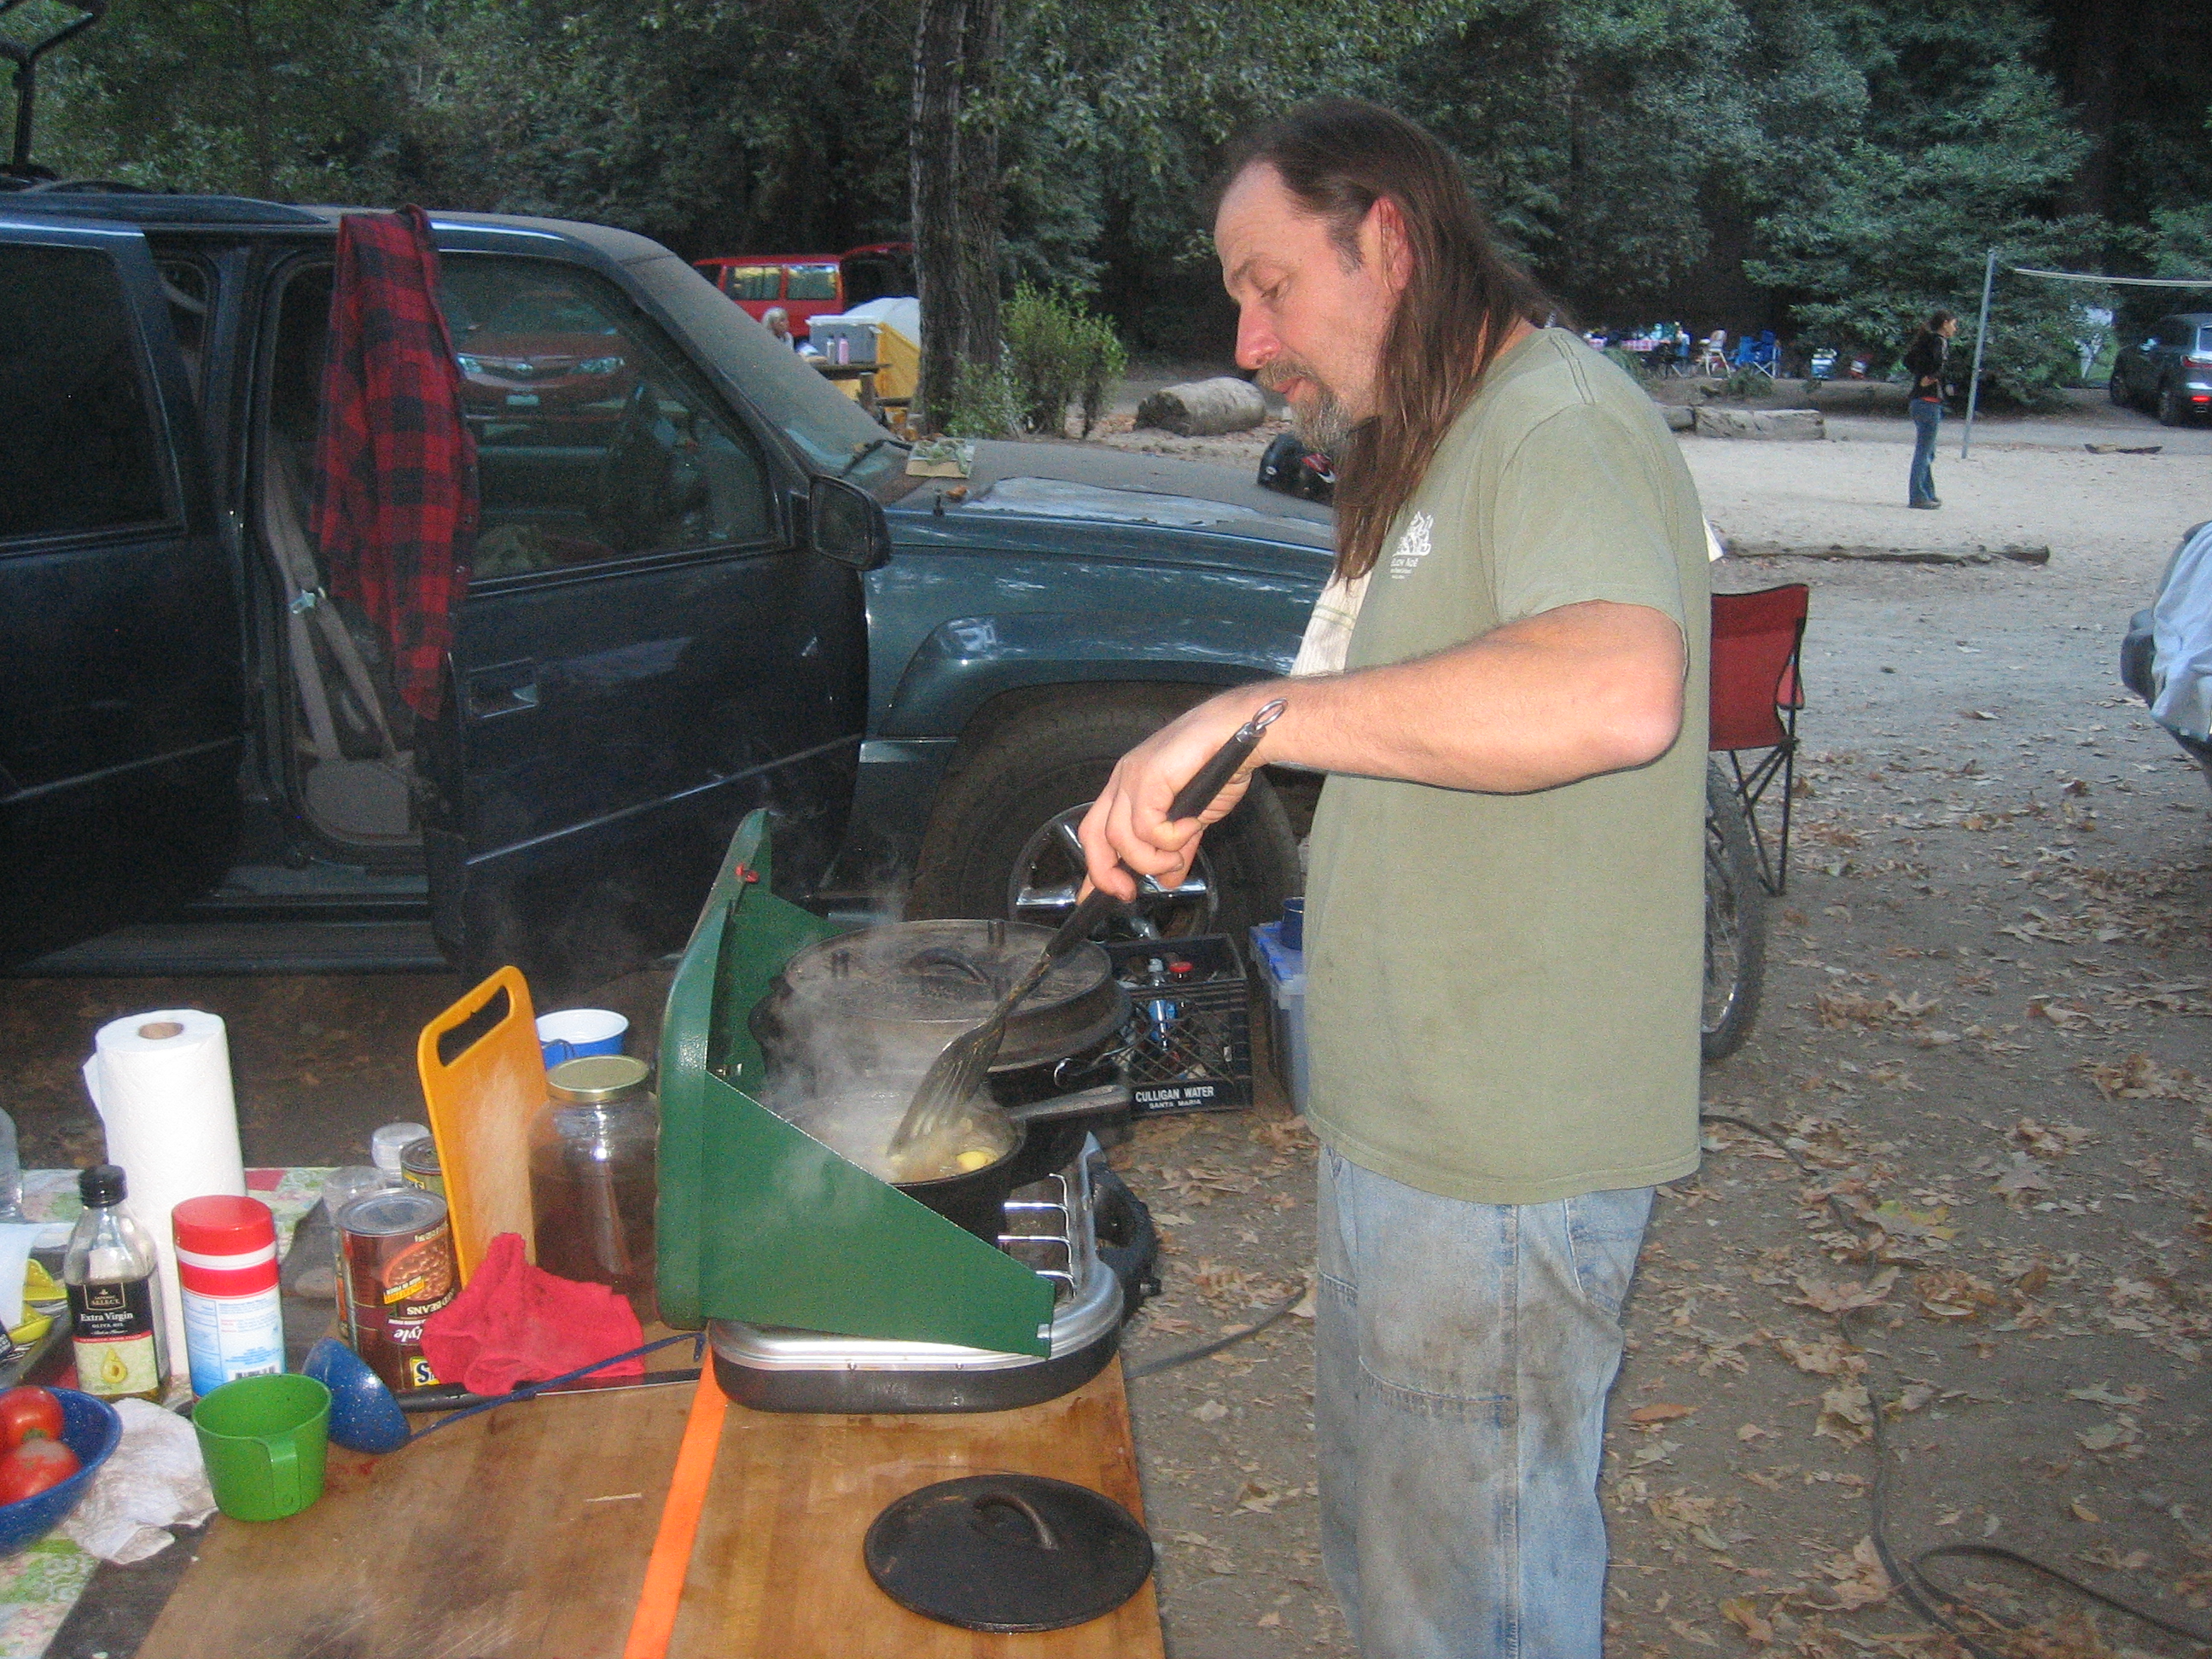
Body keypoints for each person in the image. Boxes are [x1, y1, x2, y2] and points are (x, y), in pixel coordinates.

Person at [1079, 98, 1708, 1659]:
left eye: (1270, 284)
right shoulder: (1431, 447)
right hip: (1407, 1115)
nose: (1247, 340)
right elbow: (1422, 720)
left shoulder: (1557, 420)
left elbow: (1617, 687)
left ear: (1389, 239)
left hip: (1499, 1145)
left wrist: (1255, 714)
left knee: (1467, 1606)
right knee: (1398, 1571)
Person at [1903, 308, 1958, 509]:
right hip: (1928, 400)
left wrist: (1920, 375)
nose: (1955, 329)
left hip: (1919, 400)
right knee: (1924, 451)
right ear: (1945, 323)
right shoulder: (1939, 342)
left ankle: (1928, 493)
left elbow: (1907, 360)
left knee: (1928, 450)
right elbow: (1939, 364)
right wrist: (1931, 376)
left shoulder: (1925, 341)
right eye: (1954, 324)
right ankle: (1918, 495)